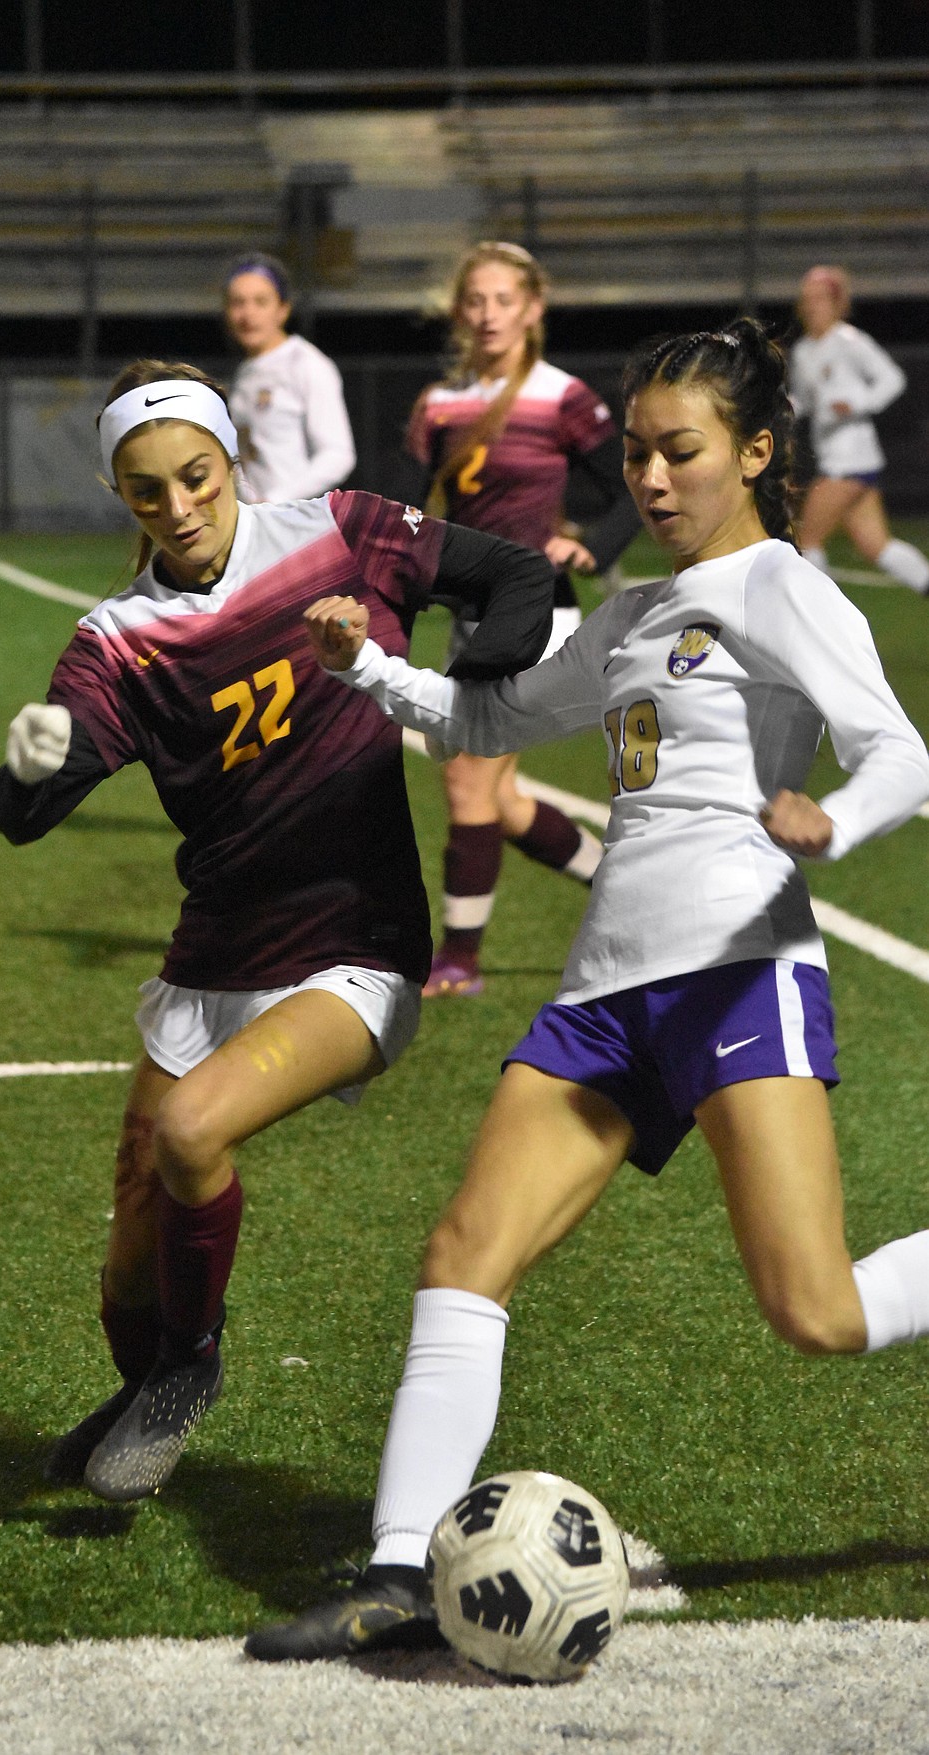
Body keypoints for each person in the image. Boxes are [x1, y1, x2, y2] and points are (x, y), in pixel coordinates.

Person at [244, 317, 929, 1661]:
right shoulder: (628, 614)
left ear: (756, 450)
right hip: (601, 998)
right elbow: (492, 722)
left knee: (815, 1310)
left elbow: (900, 750)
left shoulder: (784, 587)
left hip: (737, 974)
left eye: (682, 452)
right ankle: (398, 1566)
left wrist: (829, 828)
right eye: (640, 455)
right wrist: (365, 668)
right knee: (463, 1255)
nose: (654, 480)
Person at [0, 359, 557, 1504]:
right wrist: (27, 768)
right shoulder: (117, 639)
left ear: (229, 455)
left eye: (196, 475)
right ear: (123, 499)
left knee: (194, 1132)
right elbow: (23, 815)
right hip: (212, 957)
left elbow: (514, 577)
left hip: (356, 942)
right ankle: (147, 1376)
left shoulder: (339, 534)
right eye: (147, 493)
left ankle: (188, 1372)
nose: (180, 508)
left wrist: (468, 694)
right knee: (129, 1248)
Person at [399, 241, 641, 998]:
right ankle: (635, 897)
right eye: (476, 300)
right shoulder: (439, 403)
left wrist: (590, 546)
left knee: (468, 783)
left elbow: (632, 487)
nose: (489, 314)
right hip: (473, 621)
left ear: (533, 309)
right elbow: (407, 517)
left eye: (505, 300)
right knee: (499, 801)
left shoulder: (563, 395)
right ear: (459, 310)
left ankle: (458, 961)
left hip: (539, 615)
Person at [791, 264, 929, 595]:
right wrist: (779, 410)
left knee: (807, 538)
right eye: (808, 298)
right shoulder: (803, 350)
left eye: (820, 298)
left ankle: (823, 617)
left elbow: (892, 379)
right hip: (839, 459)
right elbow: (805, 402)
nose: (812, 305)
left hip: (850, 459)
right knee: (876, 546)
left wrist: (857, 404)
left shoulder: (849, 341)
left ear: (837, 302)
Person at [225, 253, 356, 502]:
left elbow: (338, 455)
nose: (247, 313)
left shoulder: (306, 364)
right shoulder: (245, 371)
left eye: (260, 302)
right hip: (257, 523)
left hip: (294, 523)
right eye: (237, 302)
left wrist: (277, 501)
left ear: (283, 309)